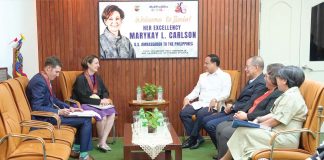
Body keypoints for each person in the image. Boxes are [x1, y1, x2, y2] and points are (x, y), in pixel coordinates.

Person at [221, 66, 308, 160]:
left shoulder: (292, 98)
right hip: (276, 134)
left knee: (243, 131)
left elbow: (275, 121)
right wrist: (258, 120)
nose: (276, 80)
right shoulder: (288, 94)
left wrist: (257, 127)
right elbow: (274, 114)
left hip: (283, 139)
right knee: (243, 130)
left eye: (278, 78)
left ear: (284, 81)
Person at [26, 56, 93, 160]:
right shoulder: (39, 82)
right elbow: (36, 108)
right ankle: (83, 156)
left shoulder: (44, 78)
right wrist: (59, 111)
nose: (57, 75)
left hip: (52, 115)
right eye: (56, 72)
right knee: (85, 120)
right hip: (45, 118)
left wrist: (70, 108)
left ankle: (76, 150)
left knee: (82, 118)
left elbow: (54, 99)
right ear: (48, 68)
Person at [214, 63, 284, 159]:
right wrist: (241, 113)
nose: (264, 78)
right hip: (249, 117)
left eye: (266, 76)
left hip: (257, 122)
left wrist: (247, 117)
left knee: (225, 132)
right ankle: (222, 156)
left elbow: (268, 113)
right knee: (220, 127)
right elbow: (250, 102)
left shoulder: (278, 93)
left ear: (274, 79)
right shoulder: (266, 89)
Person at [202, 56, 267, 153]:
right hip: (234, 109)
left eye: (247, 67)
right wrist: (232, 105)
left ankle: (227, 152)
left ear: (256, 67)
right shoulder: (252, 80)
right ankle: (222, 150)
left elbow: (251, 103)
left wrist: (234, 107)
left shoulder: (261, 83)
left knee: (211, 125)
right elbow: (243, 99)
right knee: (205, 120)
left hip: (241, 113)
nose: (245, 69)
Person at [179, 54, 232, 149]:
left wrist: (216, 99)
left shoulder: (225, 76)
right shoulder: (202, 76)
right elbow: (196, 91)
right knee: (184, 113)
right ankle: (198, 138)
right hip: (200, 103)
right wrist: (187, 98)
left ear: (214, 64)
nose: (204, 65)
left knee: (200, 114)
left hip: (214, 105)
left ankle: (192, 139)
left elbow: (226, 93)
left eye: (207, 63)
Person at [72, 55, 116, 152]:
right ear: (88, 64)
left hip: (96, 104)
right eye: (96, 63)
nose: (98, 65)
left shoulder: (97, 77)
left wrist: (104, 98)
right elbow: (82, 98)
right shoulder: (81, 79)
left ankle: (102, 142)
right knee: (102, 116)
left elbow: (105, 91)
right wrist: (100, 101)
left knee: (112, 112)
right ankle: (102, 142)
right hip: (82, 104)